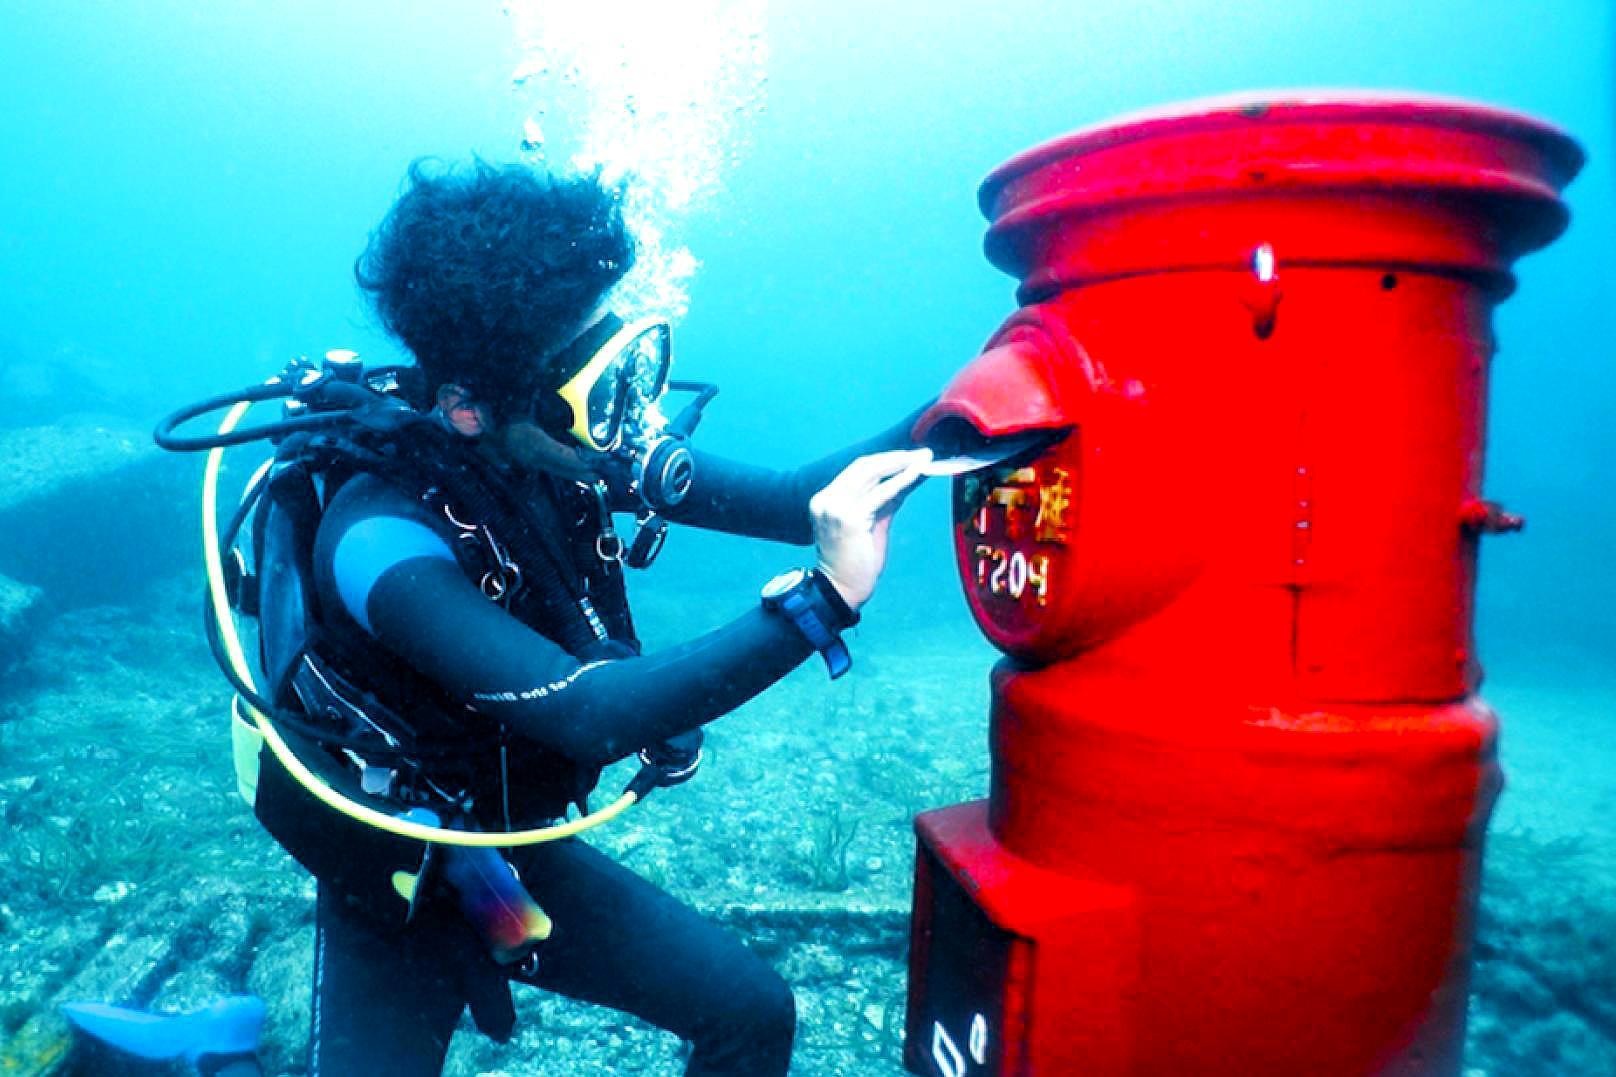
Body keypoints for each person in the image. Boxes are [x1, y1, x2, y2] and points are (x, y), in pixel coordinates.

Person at [73, 159, 931, 1077]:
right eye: (602, 387)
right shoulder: (379, 539)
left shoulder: (562, 443)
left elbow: (799, 498)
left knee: (753, 1013)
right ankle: (208, 1049)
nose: (631, 419)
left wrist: (991, 398)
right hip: (401, 872)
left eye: (629, 361)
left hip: (512, 841)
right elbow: (585, 710)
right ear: (468, 409)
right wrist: (819, 603)